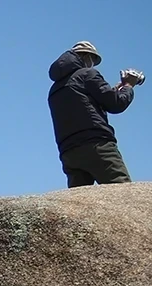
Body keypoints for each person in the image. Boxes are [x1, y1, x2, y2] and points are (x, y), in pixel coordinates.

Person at [47, 41, 141, 187]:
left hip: (68, 152)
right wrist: (128, 85)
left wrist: (113, 90)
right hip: (97, 145)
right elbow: (116, 104)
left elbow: (82, 105)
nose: (92, 65)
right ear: (85, 56)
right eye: (92, 60)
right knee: (122, 192)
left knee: (78, 203)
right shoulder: (87, 74)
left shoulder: (54, 89)